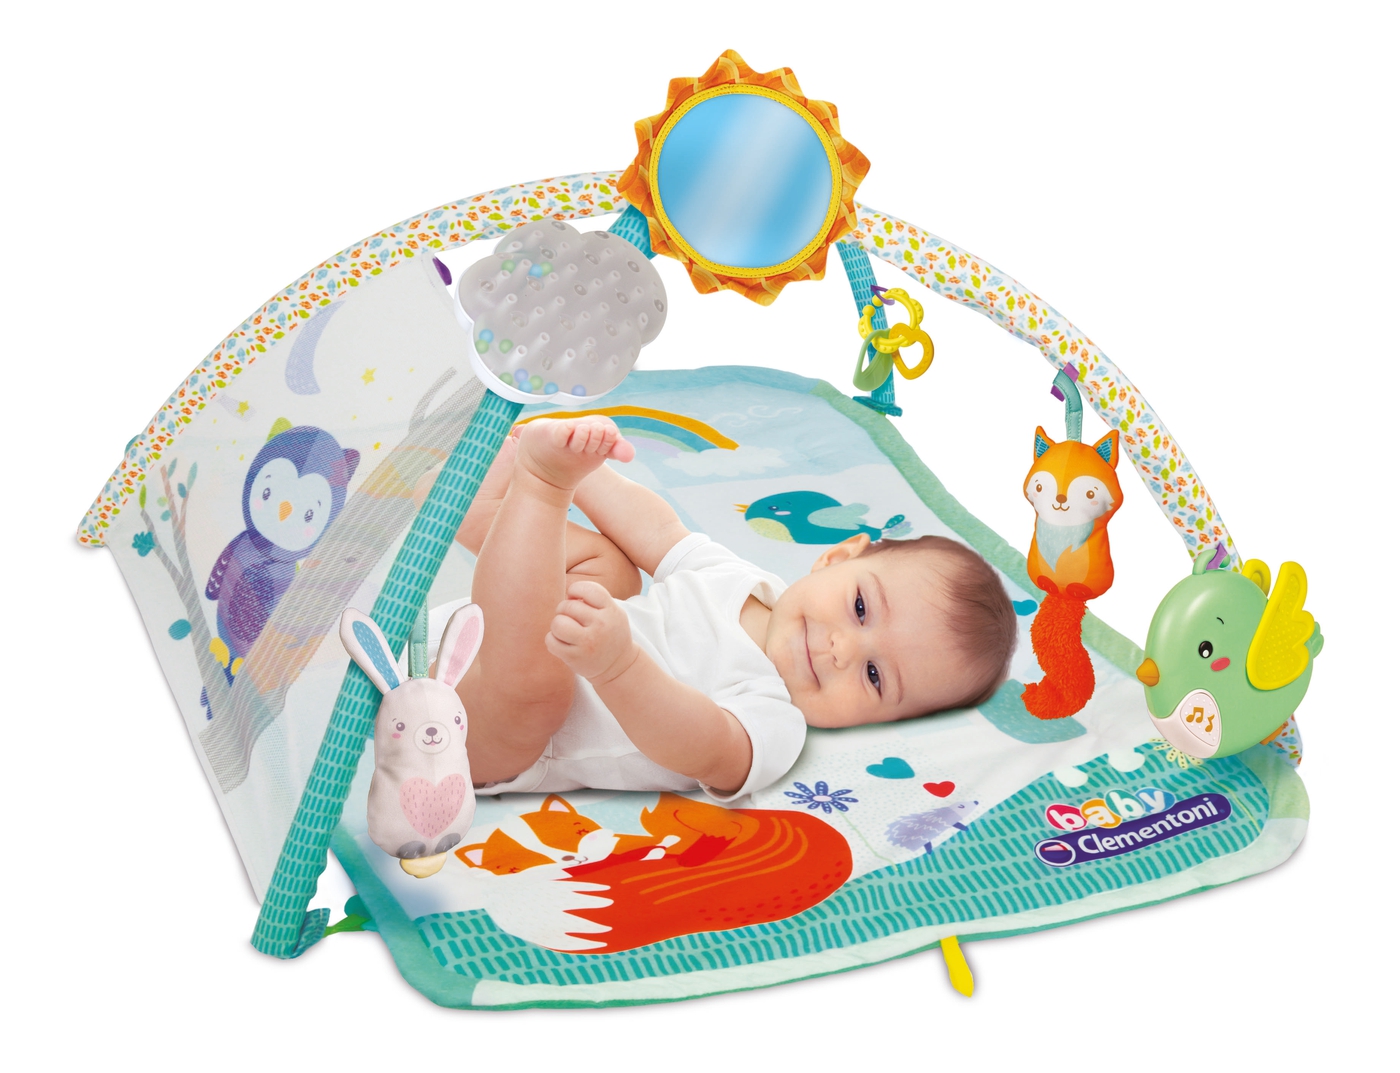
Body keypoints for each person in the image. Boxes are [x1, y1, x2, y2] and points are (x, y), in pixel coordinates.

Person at [446, 415, 1017, 800]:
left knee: (542, 692)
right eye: (862, 608)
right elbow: (657, 529)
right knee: (615, 570)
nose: (842, 649)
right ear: (836, 557)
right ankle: (486, 509)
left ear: (880, 722)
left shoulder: (774, 722)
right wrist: (589, 465)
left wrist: (617, 665)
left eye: (874, 675)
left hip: (476, 734)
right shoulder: (742, 581)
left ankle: (539, 488)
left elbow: (701, 744)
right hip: (469, 637)